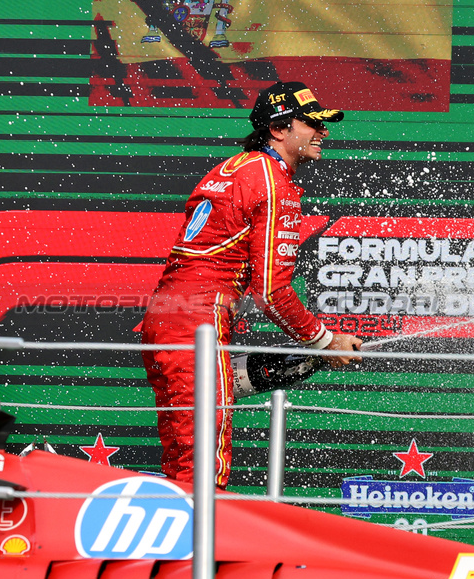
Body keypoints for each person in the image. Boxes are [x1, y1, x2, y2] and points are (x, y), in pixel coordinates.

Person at [141, 81, 364, 488]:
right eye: (311, 123)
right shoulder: (274, 182)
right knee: (203, 470)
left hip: (165, 318)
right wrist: (324, 341)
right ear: (278, 129)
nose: (322, 132)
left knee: (181, 461)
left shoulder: (234, 167)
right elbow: (271, 292)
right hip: (199, 323)